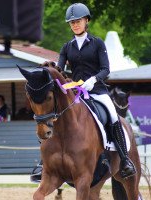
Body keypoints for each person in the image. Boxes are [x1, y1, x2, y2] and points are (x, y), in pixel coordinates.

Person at [31, 3, 136, 182]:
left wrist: (93, 80)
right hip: (76, 92)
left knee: (112, 115)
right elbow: (60, 70)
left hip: (97, 91)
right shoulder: (67, 47)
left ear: (86, 21)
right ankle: (44, 163)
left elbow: (105, 69)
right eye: (72, 23)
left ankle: (125, 161)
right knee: (55, 117)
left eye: (78, 21)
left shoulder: (97, 43)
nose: (75, 25)